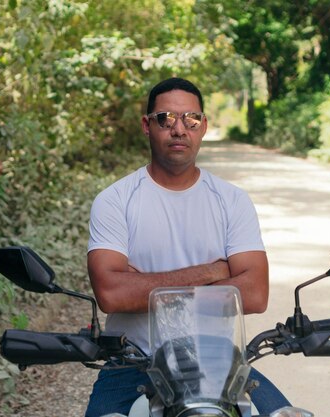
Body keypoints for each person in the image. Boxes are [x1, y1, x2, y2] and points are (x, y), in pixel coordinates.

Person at [84, 77, 287, 416]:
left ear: (203, 126)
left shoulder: (232, 201)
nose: (179, 129)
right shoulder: (115, 201)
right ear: (147, 126)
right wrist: (213, 272)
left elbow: (254, 294)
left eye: (190, 119)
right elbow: (112, 294)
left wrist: (144, 285)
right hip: (133, 363)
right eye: (166, 118)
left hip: (217, 362)